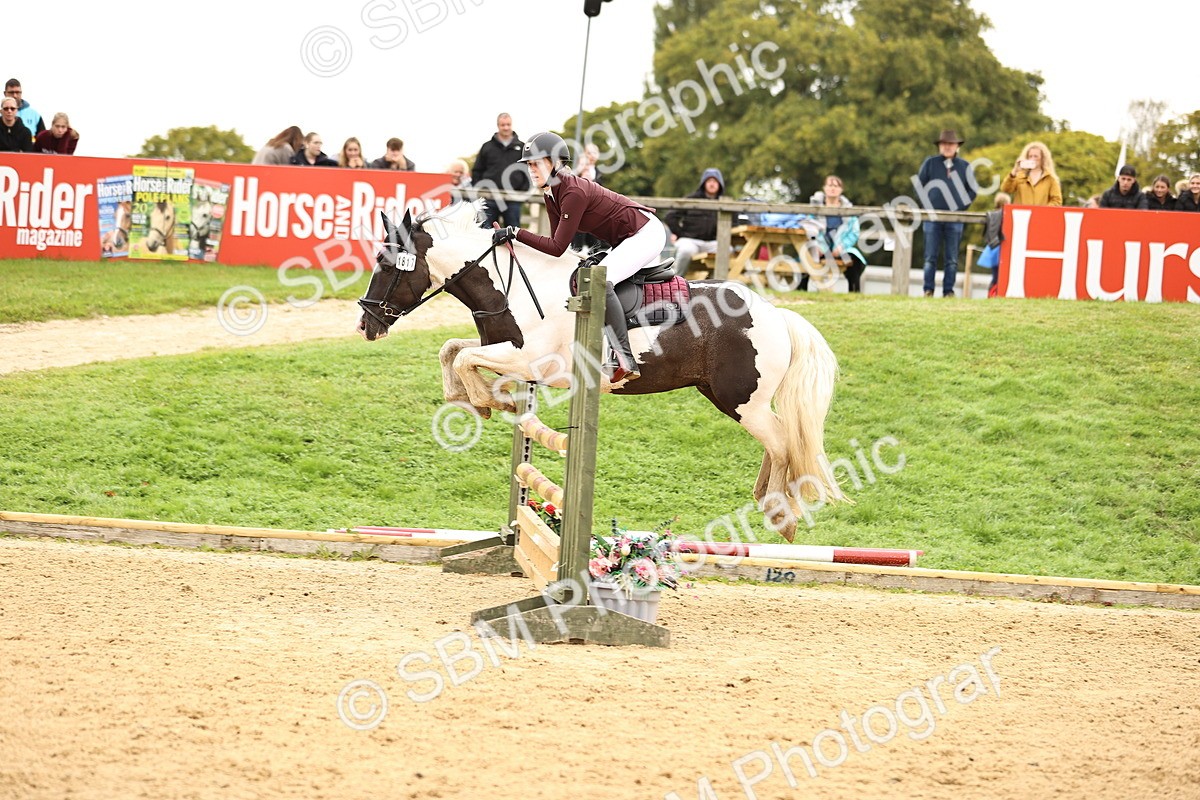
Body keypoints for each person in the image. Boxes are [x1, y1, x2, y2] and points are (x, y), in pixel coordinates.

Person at [495, 132, 666, 383]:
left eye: (537, 163)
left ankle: (624, 357)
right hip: (627, 237)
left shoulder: (572, 191)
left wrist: (517, 232)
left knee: (600, 280)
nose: (531, 170)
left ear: (555, 163)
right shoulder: (551, 193)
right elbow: (556, 244)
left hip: (645, 233)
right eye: (529, 165)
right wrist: (515, 240)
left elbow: (556, 247)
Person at [916, 129, 977, 297]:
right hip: (932, 216)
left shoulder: (964, 166)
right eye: (944, 144)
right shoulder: (930, 163)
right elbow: (919, 185)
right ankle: (928, 289)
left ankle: (948, 291)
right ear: (939, 146)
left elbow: (973, 190)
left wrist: (960, 209)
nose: (947, 147)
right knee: (930, 256)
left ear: (957, 146)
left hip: (955, 218)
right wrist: (927, 206)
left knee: (952, 258)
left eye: (951, 144)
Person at [797, 175, 867, 293]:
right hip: (819, 248)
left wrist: (841, 247)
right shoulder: (814, 208)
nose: (832, 188)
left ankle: (854, 293)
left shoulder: (849, 210)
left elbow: (854, 232)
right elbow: (808, 227)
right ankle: (800, 291)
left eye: (836, 186)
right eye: (830, 185)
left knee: (856, 261)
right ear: (824, 188)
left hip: (840, 249)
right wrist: (816, 246)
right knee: (806, 256)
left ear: (841, 189)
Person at [471, 113, 529, 229]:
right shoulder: (487, 147)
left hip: (513, 198)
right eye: (503, 125)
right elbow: (477, 170)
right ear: (498, 126)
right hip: (489, 198)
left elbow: (528, 171)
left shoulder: (522, 147)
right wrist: (480, 191)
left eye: (508, 124)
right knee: (485, 232)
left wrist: (522, 191)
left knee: (513, 234)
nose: (506, 127)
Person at [664, 168, 724, 277]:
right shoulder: (691, 199)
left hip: (713, 243)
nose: (712, 184)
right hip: (690, 240)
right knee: (686, 251)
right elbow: (670, 216)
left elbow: (734, 223)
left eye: (715, 181)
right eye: (709, 181)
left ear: (720, 184)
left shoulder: (725, 202)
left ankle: (716, 283)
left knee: (727, 250)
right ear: (703, 183)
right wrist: (680, 234)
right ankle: (677, 281)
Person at [1000, 141, 1063, 206]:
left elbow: (1057, 201)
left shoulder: (1050, 179)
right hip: (1021, 214)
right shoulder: (1020, 176)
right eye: (1030, 156)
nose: (1032, 159)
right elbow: (1005, 189)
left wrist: (1043, 211)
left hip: (1041, 215)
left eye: (1036, 156)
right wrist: (1014, 171)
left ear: (1043, 158)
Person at [981, 192, 1010, 296]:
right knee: (1000, 276)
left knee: (994, 275)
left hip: (992, 248)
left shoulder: (991, 215)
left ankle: (991, 293)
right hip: (1001, 249)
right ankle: (996, 293)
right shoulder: (1006, 216)